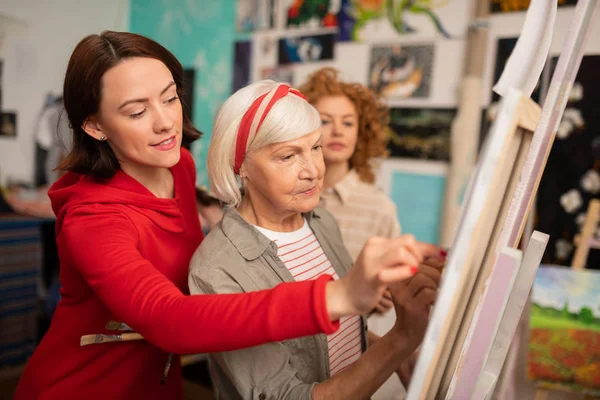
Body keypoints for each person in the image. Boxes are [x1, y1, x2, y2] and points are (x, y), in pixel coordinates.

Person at [14, 31, 431, 400]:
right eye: (137, 112)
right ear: (95, 125)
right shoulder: (93, 221)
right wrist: (337, 296)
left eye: (170, 97)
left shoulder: (177, 165)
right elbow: (169, 319)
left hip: (157, 380)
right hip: (87, 385)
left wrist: (365, 341)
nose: (166, 123)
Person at [188, 80, 444, 399]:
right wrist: (401, 340)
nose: (312, 170)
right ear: (241, 166)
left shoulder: (321, 221)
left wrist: (401, 355)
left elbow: (343, 336)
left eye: (315, 147)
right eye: (288, 156)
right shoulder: (217, 270)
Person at [298, 67, 402, 262]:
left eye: (348, 123)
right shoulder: (286, 198)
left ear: (360, 133)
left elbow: (389, 287)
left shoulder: (379, 208)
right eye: (325, 121)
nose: (338, 131)